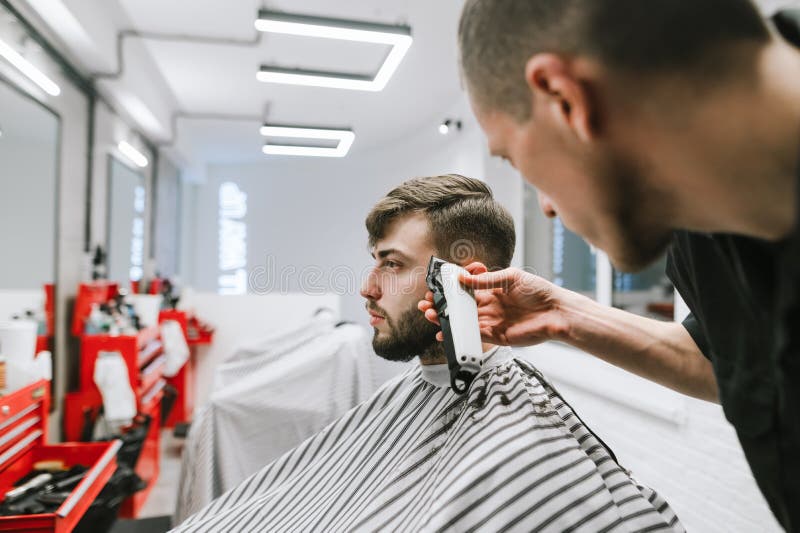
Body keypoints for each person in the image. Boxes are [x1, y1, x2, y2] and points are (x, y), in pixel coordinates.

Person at [419, 1, 800, 530]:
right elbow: (725, 360)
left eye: (513, 159)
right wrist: (562, 313)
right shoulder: (695, 220)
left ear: (563, 98)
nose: (546, 207)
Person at [172, 175, 682, 532]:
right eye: (375, 262)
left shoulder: (516, 432)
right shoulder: (419, 391)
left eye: (392, 265)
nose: (368, 289)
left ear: (463, 281)